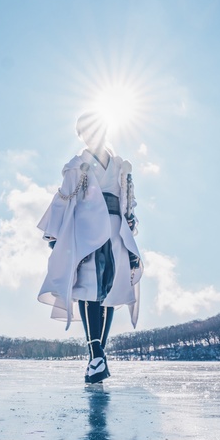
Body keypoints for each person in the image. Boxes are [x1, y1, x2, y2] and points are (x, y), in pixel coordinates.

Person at [36, 111, 143, 384]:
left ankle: (97, 357)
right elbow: (63, 198)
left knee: (110, 291)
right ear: (82, 136)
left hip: (116, 230)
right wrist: (55, 231)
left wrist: (130, 220)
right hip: (86, 230)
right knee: (88, 286)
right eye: (87, 131)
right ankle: (95, 353)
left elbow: (128, 202)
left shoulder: (120, 165)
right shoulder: (77, 165)